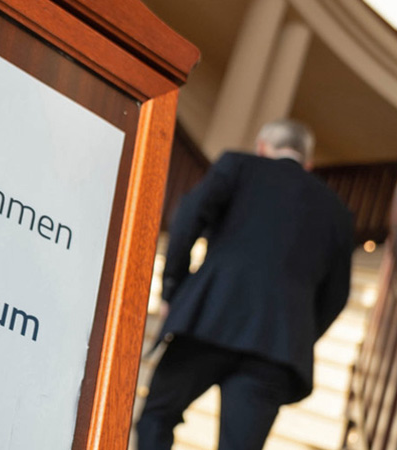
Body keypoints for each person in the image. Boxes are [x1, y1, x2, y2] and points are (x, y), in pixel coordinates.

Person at [136, 120, 354, 450]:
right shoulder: (337, 210)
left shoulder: (239, 166)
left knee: (157, 416)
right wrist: (296, 333)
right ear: (308, 163)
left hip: (209, 319)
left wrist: (173, 289)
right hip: (276, 348)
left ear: (262, 147)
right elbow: (337, 295)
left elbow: (187, 218)